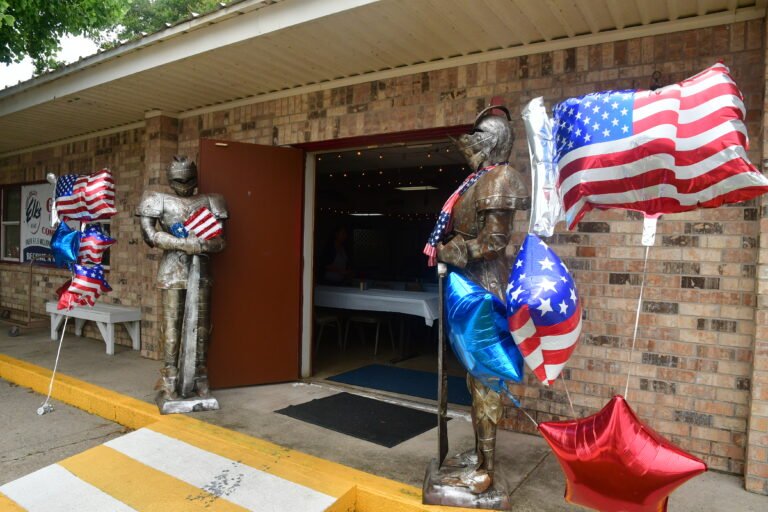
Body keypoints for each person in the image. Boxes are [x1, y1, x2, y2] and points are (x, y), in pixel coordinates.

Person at [424, 106, 530, 495]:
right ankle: (481, 456)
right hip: (468, 287)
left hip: (484, 291)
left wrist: (451, 250)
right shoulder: (478, 179)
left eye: (479, 138)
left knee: (486, 380)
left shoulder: (502, 178)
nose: (471, 146)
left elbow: (494, 242)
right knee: (475, 378)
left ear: (495, 141)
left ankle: (486, 468)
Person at [136, 156, 227, 404]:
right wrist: (182, 243)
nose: (184, 183)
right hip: (173, 269)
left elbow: (220, 241)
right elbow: (150, 235)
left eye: (188, 178)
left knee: (202, 329)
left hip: (202, 270)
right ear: (170, 178)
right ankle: (169, 377)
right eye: (179, 178)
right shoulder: (157, 200)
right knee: (172, 328)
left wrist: (202, 243)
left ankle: (200, 376)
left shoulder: (211, 200)